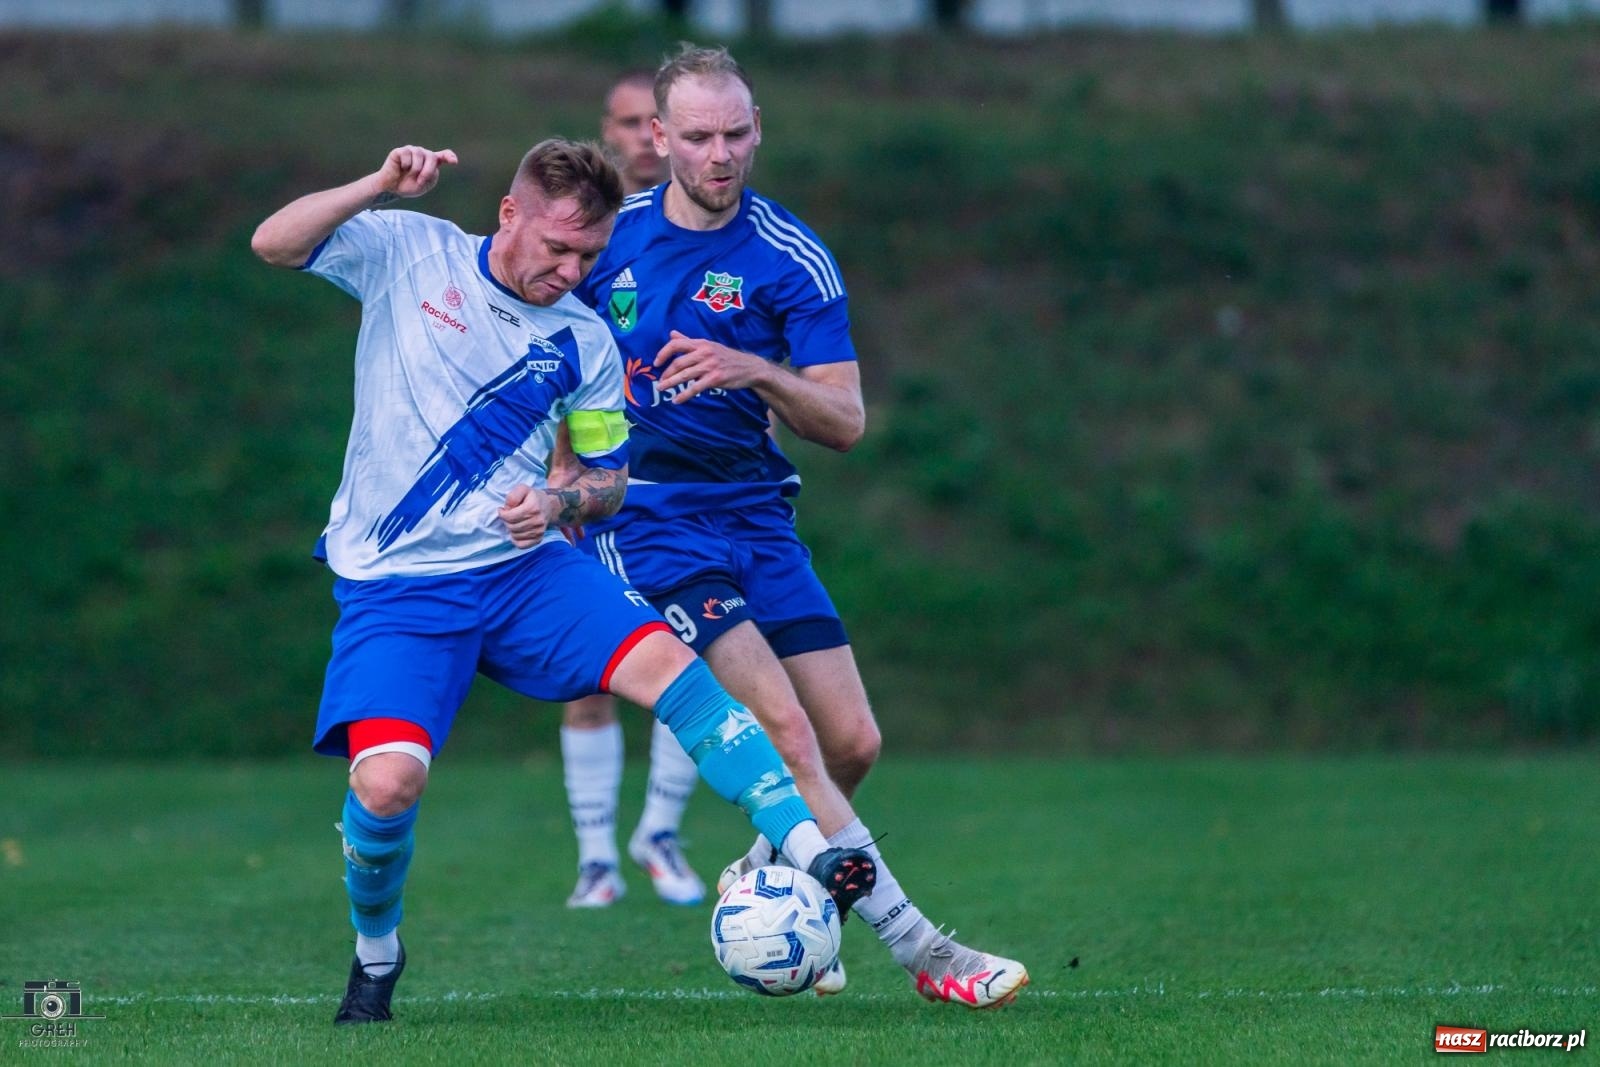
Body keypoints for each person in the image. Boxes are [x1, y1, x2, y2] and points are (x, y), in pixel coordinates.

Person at [249, 138, 876, 1025]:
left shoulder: (583, 335)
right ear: (509, 216)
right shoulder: (407, 249)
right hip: (399, 589)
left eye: (589, 254)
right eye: (559, 248)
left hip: (523, 570)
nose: (572, 269)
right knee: (386, 787)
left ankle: (810, 850)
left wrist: (555, 499)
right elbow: (272, 244)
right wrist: (377, 185)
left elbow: (608, 480)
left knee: (672, 669)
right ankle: (377, 952)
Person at [561, 45, 1029, 1009]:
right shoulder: (608, 243)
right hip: (652, 523)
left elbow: (846, 422)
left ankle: (761, 876)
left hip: (756, 518)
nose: (720, 153)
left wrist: (756, 370)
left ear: (759, 127)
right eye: (696, 136)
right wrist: (564, 481)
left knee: (852, 741)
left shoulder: (790, 257)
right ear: (658, 138)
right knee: (785, 730)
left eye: (736, 132)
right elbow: (542, 356)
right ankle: (929, 953)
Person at [556, 70, 704, 911]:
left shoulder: (710, 233)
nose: (644, 138)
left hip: (685, 489)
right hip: (592, 482)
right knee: (589, 674)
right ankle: (595, 858)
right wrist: (559, 471)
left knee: (689, 658)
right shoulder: (584, 237)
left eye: (658, 123)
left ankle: (659, 833)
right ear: (605, 134)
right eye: (627, 123)